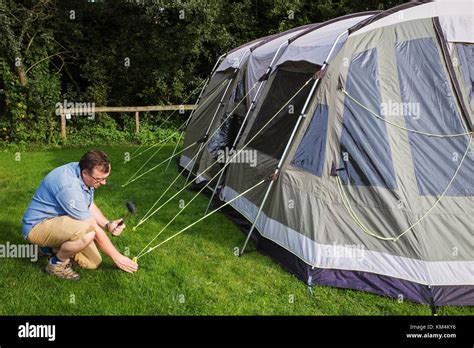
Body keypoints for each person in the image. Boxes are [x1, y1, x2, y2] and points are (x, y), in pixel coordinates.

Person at [22, 150, 138, 280]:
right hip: (37, 226)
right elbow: (92, 227)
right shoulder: (69, 186)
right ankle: (56, 265)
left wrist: (107, 224)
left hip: (59, 220)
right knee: (88, 233)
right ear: (85, 173)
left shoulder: (84, 173)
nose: (104, 183)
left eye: (106, 178)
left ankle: (47, 249)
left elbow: (88, 205)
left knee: (92, 262)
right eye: (99, 179)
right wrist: (117, 257)